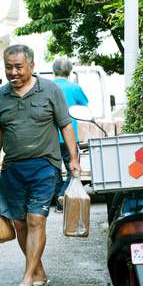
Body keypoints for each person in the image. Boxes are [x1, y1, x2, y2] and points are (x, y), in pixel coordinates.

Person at [0, 44, 80, 286]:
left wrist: (73, 158)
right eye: (8, 67)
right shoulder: (2, 96)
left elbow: (66, 125)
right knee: (19, 223)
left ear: (31, 66)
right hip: (13, 168)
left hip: (45, 165)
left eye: (18, 67)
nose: (13, 72)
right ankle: (38, 273)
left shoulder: (50, 90)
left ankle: (27, 279)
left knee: (36, 219)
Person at [51, 57, 89, 212]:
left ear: (54, 70)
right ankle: (63, 195)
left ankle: (57, 197)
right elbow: (84, 106)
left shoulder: (46, 87)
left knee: (53, 169)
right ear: (69, 71)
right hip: (70, 137)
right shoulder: (75, 88)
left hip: (50, 137)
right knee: (72, 169)